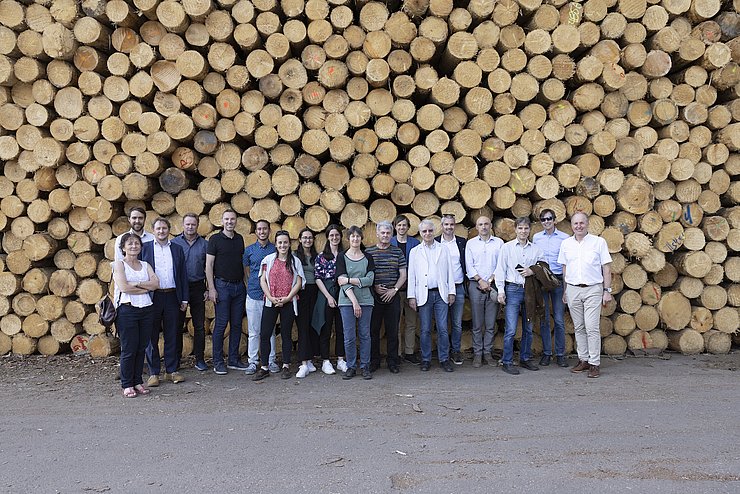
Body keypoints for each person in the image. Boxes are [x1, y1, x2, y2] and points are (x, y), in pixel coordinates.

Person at [558, 212, 613, 378]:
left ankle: (594, 363)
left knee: (591, 327)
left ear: (587, 224)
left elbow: (607, 268)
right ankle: (584, 360)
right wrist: (565, 290)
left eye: (582, 223)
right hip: (573, 288)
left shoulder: (598, 242)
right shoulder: (566, 244)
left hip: (593, 289)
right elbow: (564, 269)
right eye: (575, 223)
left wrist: (607, 291)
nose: (579, 226)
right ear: (572, 226)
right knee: (579, 327)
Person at [141, 217, 190, 386]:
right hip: (152, 297)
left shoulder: (177, 249)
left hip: (172, 296)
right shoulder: (145, 248)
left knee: (172, 334)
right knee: (151, 335)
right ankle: (154, 373)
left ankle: (171, 370)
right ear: (153, 230)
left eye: (164, 228)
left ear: (169, 230)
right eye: (158, 228)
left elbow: (183, 274)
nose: (161, 231)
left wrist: (184, 298)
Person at [495, 217, 545, 375]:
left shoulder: (536, 249)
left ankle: (525, 358)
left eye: (526, 228)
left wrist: (532, 271)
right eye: (520, 228)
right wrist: (501, 291)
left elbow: (544, 266)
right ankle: (507, 361)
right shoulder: (507, 248)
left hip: (530, 291)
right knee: (510, 329)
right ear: (515, 229)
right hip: (513, 289)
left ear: (529, 230)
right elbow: (500, 269)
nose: (523, 231)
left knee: (528, 328)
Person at [252, 231, 305, 381]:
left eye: (285, 242)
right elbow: (262, 280)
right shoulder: (268, 260)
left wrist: (288, 298)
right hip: (271, 301)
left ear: (289, 244)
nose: (283, 245)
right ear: (276, 244)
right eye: (280, 242)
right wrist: (271, 297)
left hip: (288, 302)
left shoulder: (295, 261)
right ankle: (264, 367)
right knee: (265, 334)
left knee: (286, 335)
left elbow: (299, 282)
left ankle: (286, 366)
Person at [113, 233, 159, 398]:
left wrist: (138, 284)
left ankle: (137, 380)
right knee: (129, 349)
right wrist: (145, 287)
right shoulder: (119, 265)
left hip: (146, 309)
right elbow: (124, 288)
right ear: (123, 247)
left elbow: (156, 284)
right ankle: (127, 384)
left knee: (141, 347)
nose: (134, 246)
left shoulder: (145, 265)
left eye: (136, 243)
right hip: (127, 310)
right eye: (130, 244)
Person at [407, 219, 456, 373]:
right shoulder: (415, 252)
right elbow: (412, 275)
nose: (427, 233)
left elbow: (450, 272)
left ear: (434, 231)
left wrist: (451, 291)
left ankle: (444, 359)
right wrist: (411, 296)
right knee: (425, 329)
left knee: (442, 328)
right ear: (420, 233)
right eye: (424, 231)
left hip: (441, 293)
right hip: (423, 294)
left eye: (429, 231)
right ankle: (426, 359)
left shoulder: (443, 249)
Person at [206, 210, 247, 375]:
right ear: (222, 221)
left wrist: (245, 284)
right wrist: (211, 288)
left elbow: (241, 264)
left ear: (236, 221)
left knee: (237, 324)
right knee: (221, 324)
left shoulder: (239, 239)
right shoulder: (215, 239)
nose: (230, 222)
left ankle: (233, 359)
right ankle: (218, 362)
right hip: (222, 286)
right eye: (227, 219)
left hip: (238, 287)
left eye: (232, 219)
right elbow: (209, 265)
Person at [365, 221, 407, 374]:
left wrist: (394, 290)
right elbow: (365, 274)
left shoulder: (397, 252)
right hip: (373, 297)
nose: (385, 235)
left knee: (392, 330)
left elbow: (403, 274)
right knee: (373, 330)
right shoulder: (368, 252)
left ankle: (393, 361)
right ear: (377, 234)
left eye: (388, 233)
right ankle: (374, 361)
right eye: (382, 233)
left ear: (391, 234)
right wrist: (374, 287)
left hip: (393, 296)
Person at [336, 226, 375, 380]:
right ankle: (351, 366)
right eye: (352, 236)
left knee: (365, 335)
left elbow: (370, 280)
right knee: (349, 336)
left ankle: (365, 366)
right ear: (348, 239)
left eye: (358, 236)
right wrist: (354, 302)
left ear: (361, 238)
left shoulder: (368, 257)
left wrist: (351, 280)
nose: (355, 239)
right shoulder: (341, 257)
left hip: (366, 300)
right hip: (347, 301)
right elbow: (341, 281)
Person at [171, 213, 209, 372]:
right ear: (183, 225)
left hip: (198, 286)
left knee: (199, 325)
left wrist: (208, 287)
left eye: (193, 224)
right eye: (187, 224)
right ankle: (176, 360)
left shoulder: (205, 244)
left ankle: (200, 359)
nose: (190, 227)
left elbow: (209, 267)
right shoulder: (174, 243)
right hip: (179, 288)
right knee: (177, 325)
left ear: (197, 225)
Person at [465, 216, 504, 368]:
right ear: (476, 226)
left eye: (486, 224)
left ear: (490, 225)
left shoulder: (499, 243)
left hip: (493, 285)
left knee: (490, 323)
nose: (484, 227)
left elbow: (501, 264)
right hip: (476, 285)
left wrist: (491, 280)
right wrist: (480, 280)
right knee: (477, 323)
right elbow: (469, 265)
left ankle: (487, 353)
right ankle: (477, 353)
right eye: (480, 224)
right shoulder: (471, 244)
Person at [532, 209, 569, 368]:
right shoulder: (536, 237)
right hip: (542, 280)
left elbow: (567, 263)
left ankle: (560, 354)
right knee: (544, 319)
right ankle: (547, 353)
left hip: (558, 280)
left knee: (559, 320)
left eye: (549, 219)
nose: (546, 222)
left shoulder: (564, 238)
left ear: (555, 220)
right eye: (543, 219)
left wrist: (566, 288)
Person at [242, 220, 279, 375]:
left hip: (270, 296)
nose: (262, 231)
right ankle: (253, 361)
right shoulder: (249, 250)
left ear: (269, 231)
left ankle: (270, 360)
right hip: (254, 294)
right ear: (256, 231)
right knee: (253, 330)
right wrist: (251, 285)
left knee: (269, 330)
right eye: (259, 229)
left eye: (265, 229)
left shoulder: (275, 250)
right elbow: (246, 271)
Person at [313, 225, 347, 374]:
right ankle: (326, 361)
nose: (334, 238)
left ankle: (341, 359)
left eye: (337, 235)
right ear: (327, 237)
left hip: (344, 293)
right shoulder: (321, 256)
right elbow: (318, 278)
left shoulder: (346, 255)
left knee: (342, 328)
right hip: (326, 293)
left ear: (340, 237)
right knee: (326, 328)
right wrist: (328, 296)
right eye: (331, 235)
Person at [436, 213, 467, 365]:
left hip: (458, 286)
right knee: (441, 323)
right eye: (446, 224)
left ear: (455, 226)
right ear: (441, 226)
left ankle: (455, 351)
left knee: (456, 323)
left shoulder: (461, 242)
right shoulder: (435, 242)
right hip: (441, 288)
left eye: (451, 224)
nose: (449, 227)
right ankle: (442, 352)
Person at [390, 215, 421, 365]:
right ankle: (397, 353)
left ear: (408, 227)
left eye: (404, 225)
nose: (401, 228)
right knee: (395, 322)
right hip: (394, 289)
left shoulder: (415, 243)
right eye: (399, 225)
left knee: (411, 321)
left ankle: (409, 352)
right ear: (394, 227)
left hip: (411, 288)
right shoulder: (389, 242)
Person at [295, 228, 319, 378]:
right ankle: (303, 363)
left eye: (310, 238)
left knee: (312, 325)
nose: (307, 240)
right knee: (303, 326)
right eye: (304, 238)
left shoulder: (317, 256)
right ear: (299, 239)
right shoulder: (295, 256)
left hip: (316, 291)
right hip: (301, 292)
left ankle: (309, 359)